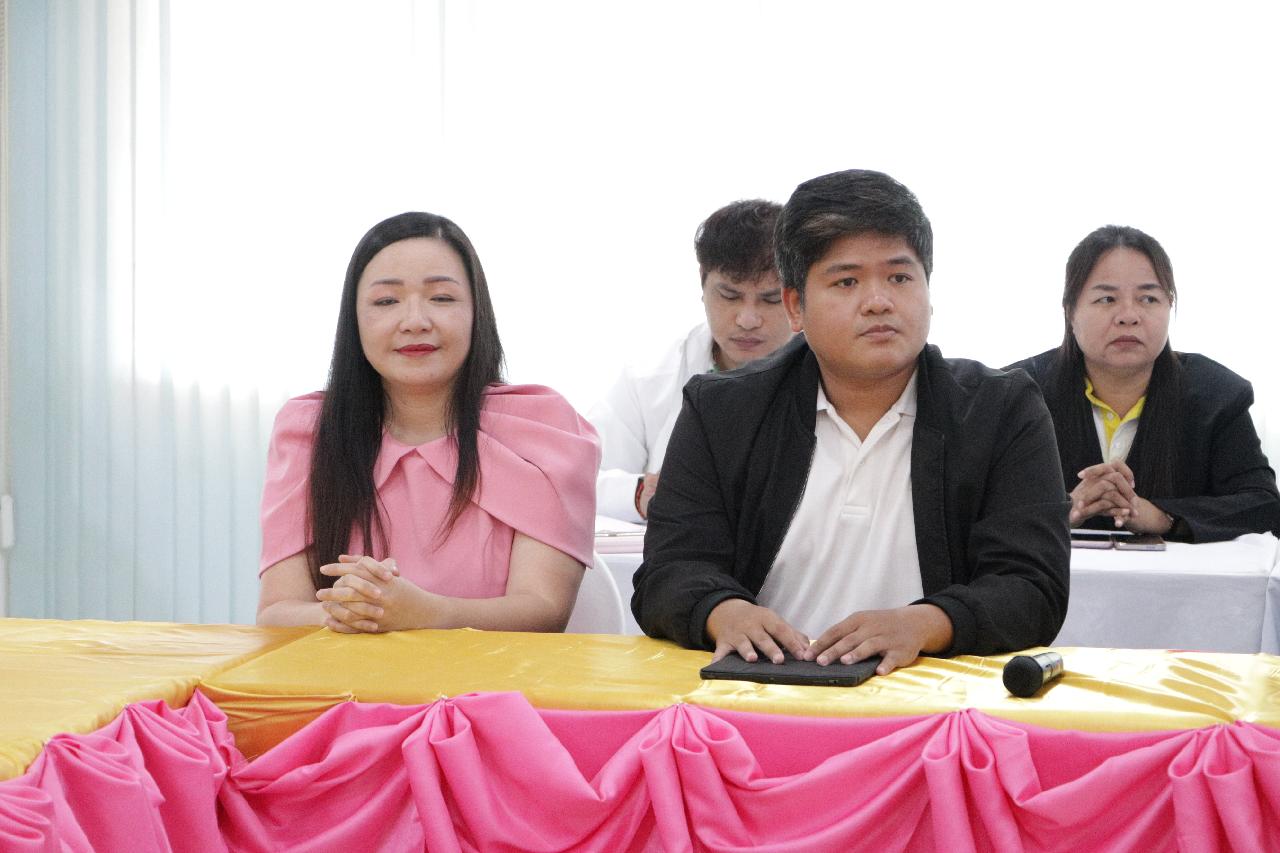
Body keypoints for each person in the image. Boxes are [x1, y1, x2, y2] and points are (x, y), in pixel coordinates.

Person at [631, 169, 1069, 674]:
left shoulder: (1001, 409)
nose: (879, 301)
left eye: (900, 277)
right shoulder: (721, 411)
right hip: (755, 691)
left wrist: (926, 624)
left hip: (933, 695)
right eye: (847, 281)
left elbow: (1032, 587)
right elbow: (669, 571)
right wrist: (722, 611)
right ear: (796, 306)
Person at [257, 212, 599, 633]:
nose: (415, 320)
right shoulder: (309, 430)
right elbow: (276, 613)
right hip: (345, 674)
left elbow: (544, 611)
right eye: (386, 301)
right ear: (354, 319)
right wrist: (358, 610)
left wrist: (425, 615)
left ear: (477, 312)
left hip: (494, 673)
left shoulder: (543, 426)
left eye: (442, 298)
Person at [1007, 225, 1280, 543]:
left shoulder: (1216, 394)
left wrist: (1162, 517)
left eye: (1148, 298)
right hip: (1047, 577)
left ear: (1169, 307)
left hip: (1178, 578)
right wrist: (1061, 512)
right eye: (1106, 299)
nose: (1128, 316)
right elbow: (971, 510)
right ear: (1070, 311)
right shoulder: (1016, 395)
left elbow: (1263, 505)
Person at [589, 199, 792, 522]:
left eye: (770, 299)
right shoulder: (647, 379)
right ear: (702, 281)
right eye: (729, 296)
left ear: (799, 295)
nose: (747, 319)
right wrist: (642, 494)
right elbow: (580, 479)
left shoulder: (840, 377)